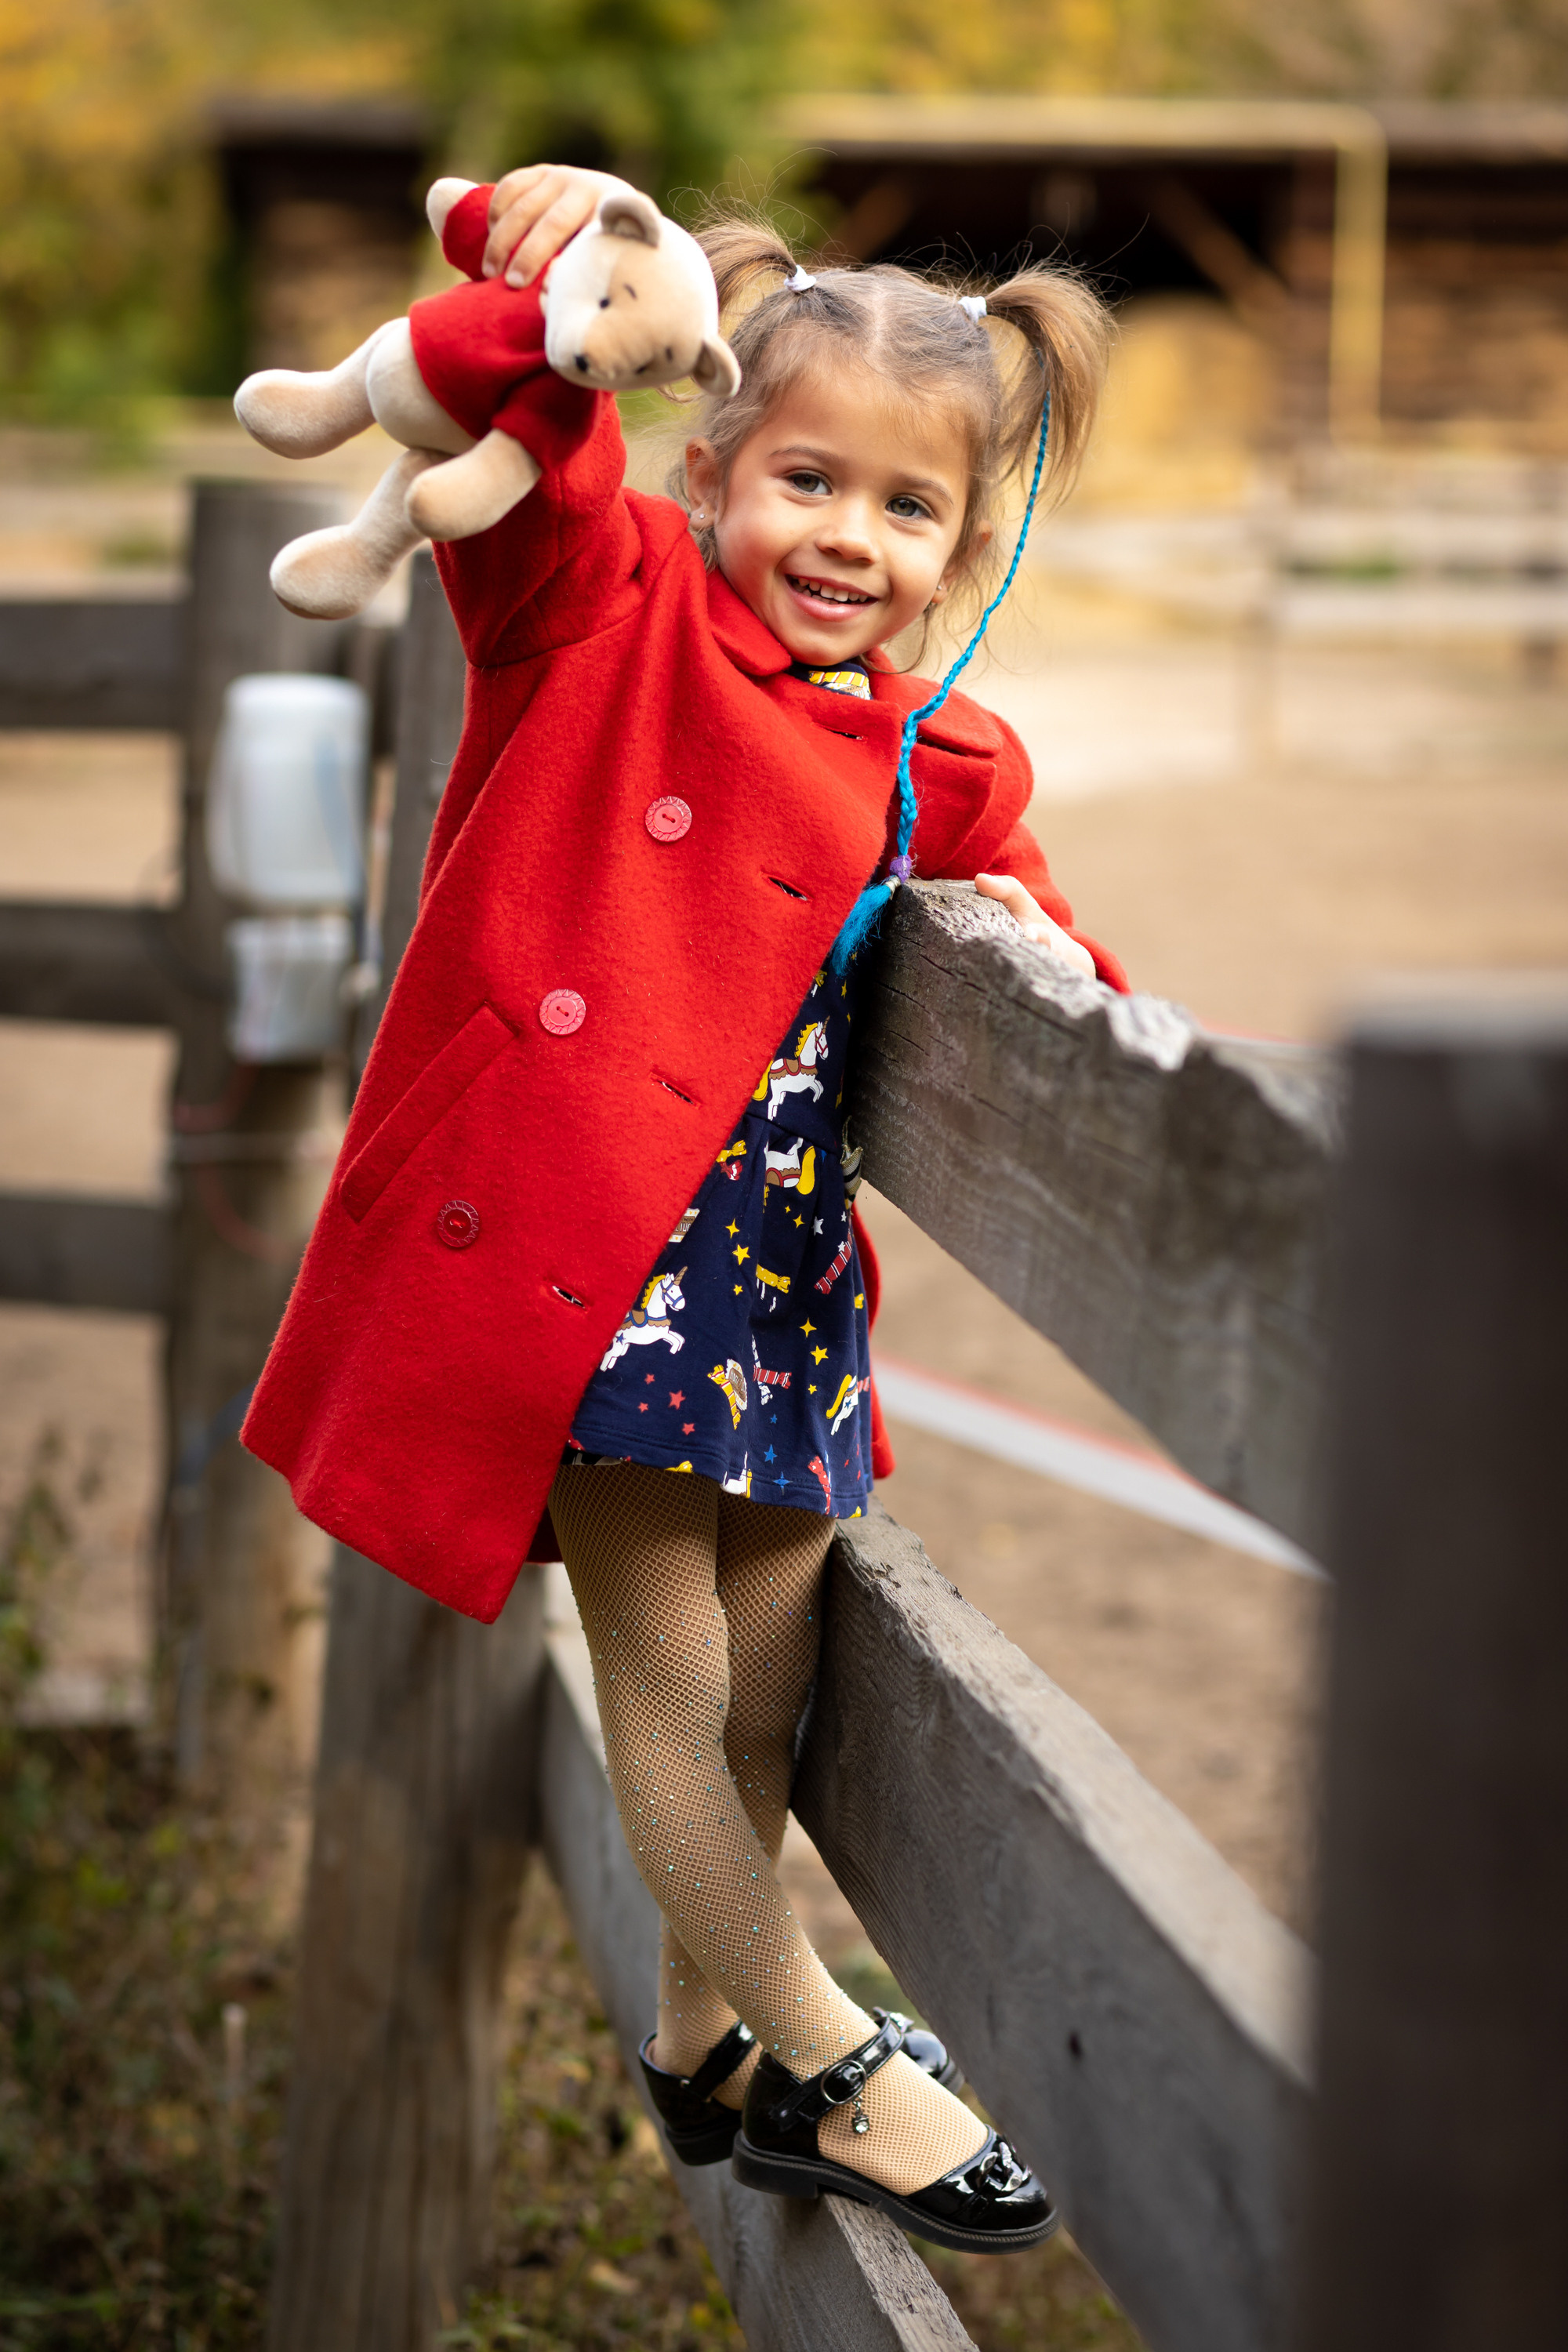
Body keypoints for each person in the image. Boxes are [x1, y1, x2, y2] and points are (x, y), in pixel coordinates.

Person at [244, 161, 1127, 2255]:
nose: (848, 537)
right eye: (805, 479)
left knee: (761, 1682)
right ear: (712, 460)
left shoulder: (931, 748)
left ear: (965, 549)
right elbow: (499, 413)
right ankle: (831, 2047)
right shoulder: (597, 603)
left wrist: (1058, 968)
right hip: (590, 1268)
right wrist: (536, 243)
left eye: (905, 510)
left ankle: (699, 2042)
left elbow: (1041, 918)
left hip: (779, 1275)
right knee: (658, 1680)